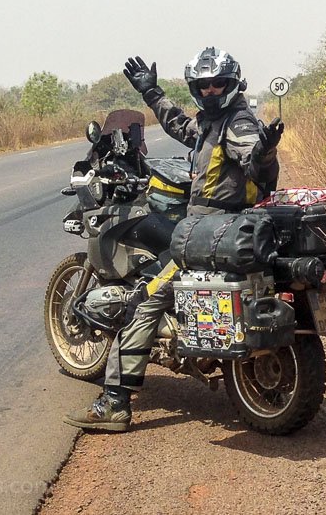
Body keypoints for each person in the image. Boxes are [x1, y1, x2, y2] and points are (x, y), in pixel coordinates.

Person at [63, 47, 284, 432]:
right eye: (204, 85)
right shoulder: (212, 123)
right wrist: (151, 93)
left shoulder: (238, 124)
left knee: (145, 301)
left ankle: (114, 403)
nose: (212, 91)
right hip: (218, 229)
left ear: (233, 85)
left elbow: (251, 156)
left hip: (212, 232)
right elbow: (181, 127)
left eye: (219, 84)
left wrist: (264, 153)